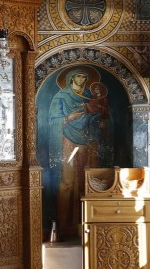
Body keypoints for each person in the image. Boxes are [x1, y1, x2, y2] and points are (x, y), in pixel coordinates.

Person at [48, 68, 112, 237]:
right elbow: (53, 120)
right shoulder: (61, 96)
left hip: (90, 139)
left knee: (90, 180)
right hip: (69, 139)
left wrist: (100, 117)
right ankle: (63, 227)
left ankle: (90, 225)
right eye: (78, 76)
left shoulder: (91, 96)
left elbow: (103, 115)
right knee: (67, 181)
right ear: (70, 78)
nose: (82, 79)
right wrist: (68, 118)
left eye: (84, 76)